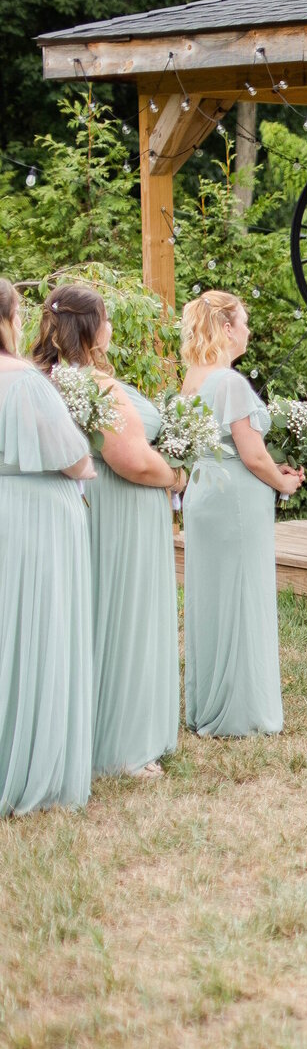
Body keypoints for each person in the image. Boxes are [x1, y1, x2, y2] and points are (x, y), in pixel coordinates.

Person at [28, 285, 183, 777]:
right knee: (125, 617)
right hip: (122, 512)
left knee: (90, 616)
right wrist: (178, 475)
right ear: (91, 328)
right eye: (107, 319)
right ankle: (124, 745)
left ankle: (84, 733)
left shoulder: (41, 380)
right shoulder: (96, 384)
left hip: (84, 510)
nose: (113, 328)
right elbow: (132, 461)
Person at [180, 291, 302, 738]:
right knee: (242, 593)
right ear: (227, 328)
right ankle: (241, 710)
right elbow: (251, 455)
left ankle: (209, 700)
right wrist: (283, 482)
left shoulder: (192, 380)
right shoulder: (228, 382)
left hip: (204, 490)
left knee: (213, 595)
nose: (249, 330)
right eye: (244, 322)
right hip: (233, 497)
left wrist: (271, 466)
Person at [0, 278, 97, 815]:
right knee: (39, 628)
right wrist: (85, 464)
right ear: (7, 320)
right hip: (38, 512)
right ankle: (34, 767)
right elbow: (70, 454)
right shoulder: (25, 381)